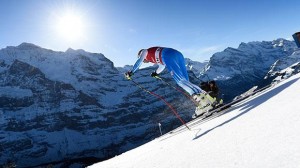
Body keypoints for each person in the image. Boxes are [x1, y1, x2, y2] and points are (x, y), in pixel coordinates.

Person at [124, 47, 215, 108]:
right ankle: (207, 97)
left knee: (180, 81)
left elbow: (139, 61)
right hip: (177, 55)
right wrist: (156, 73)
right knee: (186, 81)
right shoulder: (153, 56)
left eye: (143, 59)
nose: (144, 61)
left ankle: (204, 102)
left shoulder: (144, 51)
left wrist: (131, 72)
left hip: (168, 56)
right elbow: (162, 66)